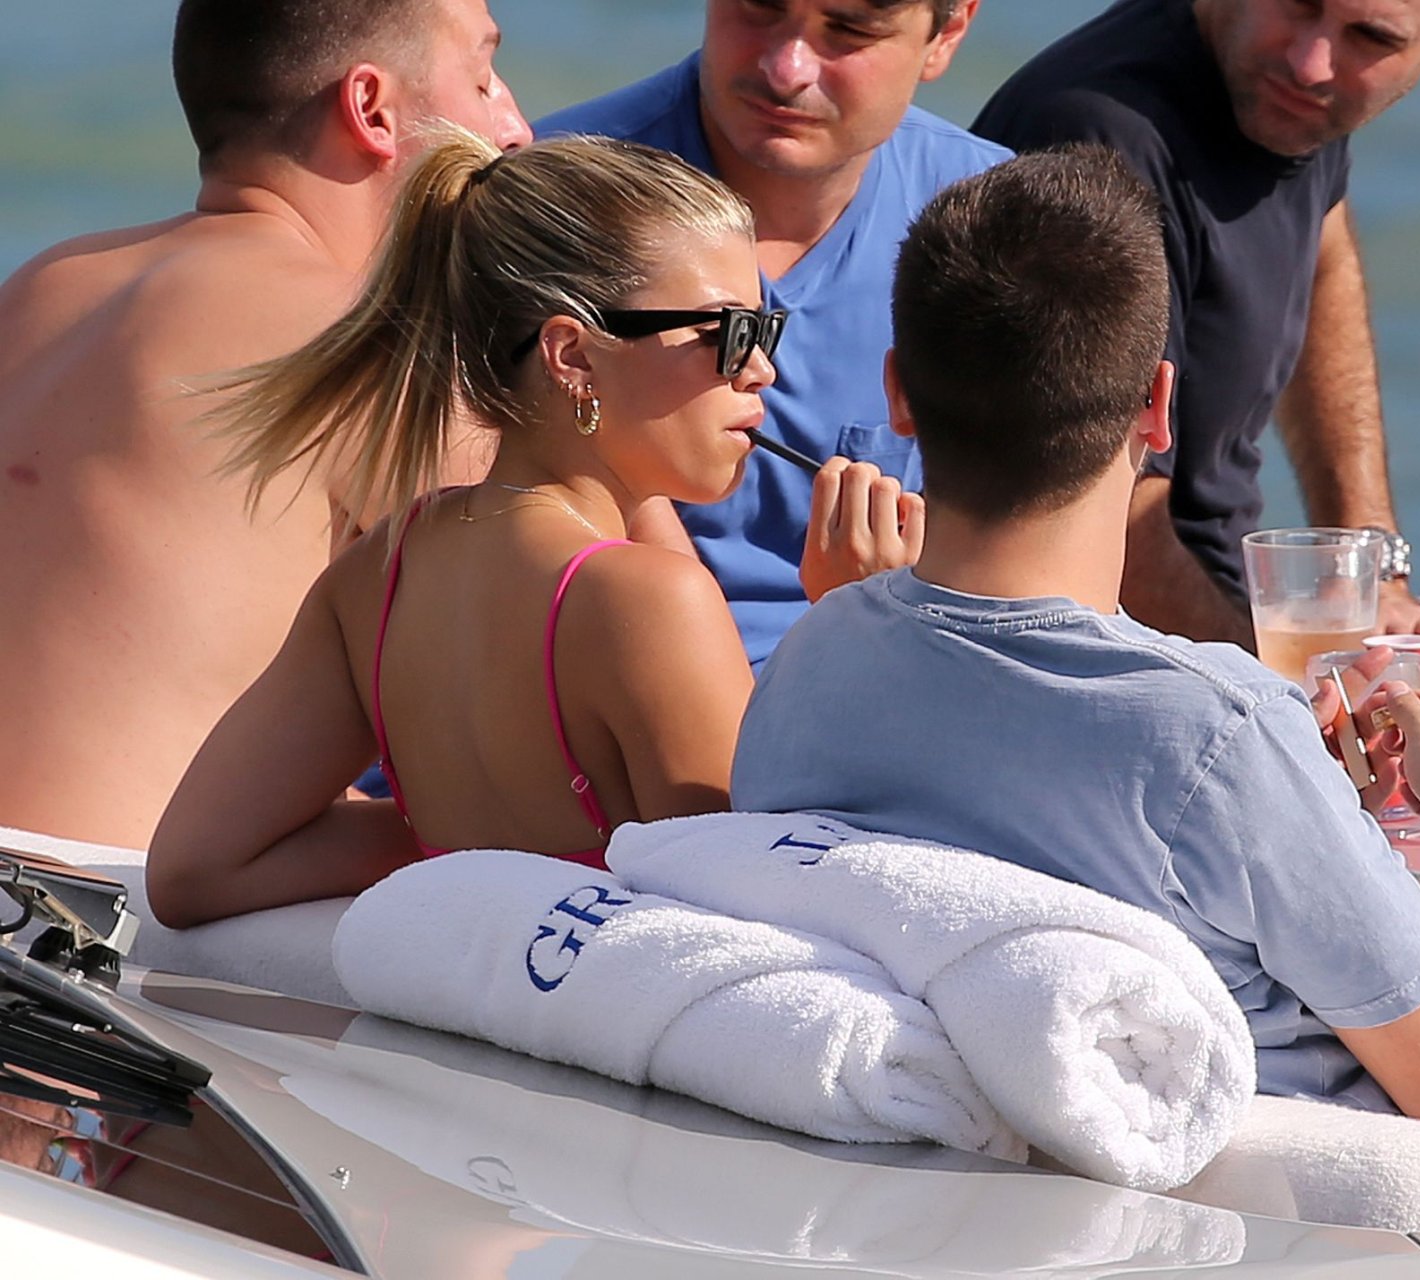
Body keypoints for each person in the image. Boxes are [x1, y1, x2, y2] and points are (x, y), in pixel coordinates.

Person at [732, 146, 1420, 1121]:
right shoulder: (1221, 733)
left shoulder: (800, 668)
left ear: (897, 393)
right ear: (1159, 406)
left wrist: (1306, 799)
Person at [147, 130, 919, 930]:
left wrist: (468, 846)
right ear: (572, 356)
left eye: (765, 330)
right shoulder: (651, 600)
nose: (761, 369)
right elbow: (777, 903)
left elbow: (197, 869)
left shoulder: (378, 571)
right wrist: (863, 627)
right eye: (727, 334)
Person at [971, 0, 1420, 668]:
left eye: (1369, 37)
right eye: (1298, 3)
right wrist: (1281, 701)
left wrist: (1371, 564)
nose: (1311, 63)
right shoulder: (1094, 138)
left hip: (1244, 622)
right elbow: (1102, 512)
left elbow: (1323, 252)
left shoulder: (1281, 98)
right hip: (1109, 657)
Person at [0, 0, 532, 851]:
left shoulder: (43, 283)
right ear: (371, 109)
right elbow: (558, 710)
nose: (516, 128)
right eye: (481, 79)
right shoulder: (375, 342)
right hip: (107, 908)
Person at [534, 0, 1008, 666]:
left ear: (947, 33)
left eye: (849, 30)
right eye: (758, 8)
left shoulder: (1002, 229)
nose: (787, 71)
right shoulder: (543, 202)